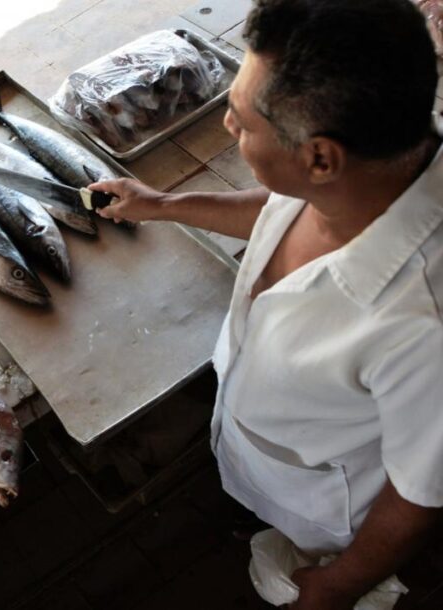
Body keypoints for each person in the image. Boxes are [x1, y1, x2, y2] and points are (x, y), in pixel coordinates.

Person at [89, 0, 442, 608]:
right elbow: (279, 206)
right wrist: (162, 205)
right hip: (259, 452)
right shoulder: (363, 172)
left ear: (321, 158)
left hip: (324, 513)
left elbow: (420, 492)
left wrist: (336, 585)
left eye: (242, 122)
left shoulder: (422, 323)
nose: (229, 128)